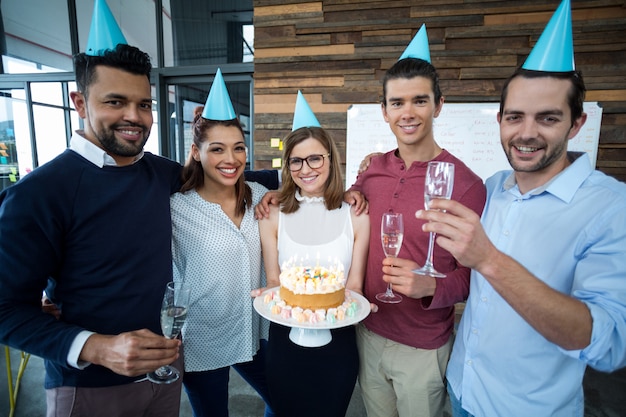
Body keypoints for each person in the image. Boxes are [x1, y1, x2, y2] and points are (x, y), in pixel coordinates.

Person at [417, 1, 626, 415]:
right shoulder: (491, 189)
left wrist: (489, 260)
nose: (526, 133)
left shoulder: (610, 206)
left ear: (577, 123)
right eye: (515, 117)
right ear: (499, 121)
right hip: (461, 390)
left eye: (547, 118)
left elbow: (609, 344)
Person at [0, 41, 187, 415]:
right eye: (115, 102)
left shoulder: (164, 173)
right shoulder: (38, 194)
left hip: (166, 376)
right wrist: (97, 348)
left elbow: (230, 181)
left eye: (144, 104)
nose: (134, 116)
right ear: (80, 102)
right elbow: (6, 309)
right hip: (88, 388)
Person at [349, 26, 486, 417]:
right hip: (368, 331)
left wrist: (431, 286)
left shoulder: (466, 185)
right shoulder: (372, 169)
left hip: (423, 347)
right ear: (384, 111)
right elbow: (347, 207)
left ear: (439, 105)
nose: (407, 113)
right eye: (397, 103)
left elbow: (475, 275)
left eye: (419, 101)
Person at [257, 92, 370, 417]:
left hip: (338, 341)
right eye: (296, 160)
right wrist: (266, 294)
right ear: (287, 165)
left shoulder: (356, 214)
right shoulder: (273, 214)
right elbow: (275, 281)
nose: (305, 169)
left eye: (315, 159)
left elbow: (355, 287)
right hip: (284, 342)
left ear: (331, 160)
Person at [171, 70, 274, 417]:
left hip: (254, 331)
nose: (230, 159)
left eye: (238, 148)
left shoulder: (259, 195)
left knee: (289, 402)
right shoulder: (175, 208)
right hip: (202, 337)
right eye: (217, 149)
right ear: (197, 153)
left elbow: (309, 193)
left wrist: (354, 189)